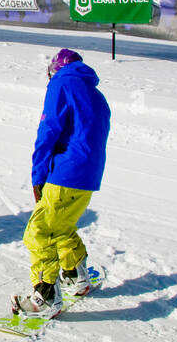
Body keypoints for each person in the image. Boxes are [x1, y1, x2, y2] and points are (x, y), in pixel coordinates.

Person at [15, 49, 112, 318]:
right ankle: (76, 275)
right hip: (89, 176)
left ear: (54, 70)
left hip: (66, 174)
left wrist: (38, 175)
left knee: (39, 232)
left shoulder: (61, 83)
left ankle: (45, 296)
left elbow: (48, 130)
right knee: (62, 225)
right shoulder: (96, 94)